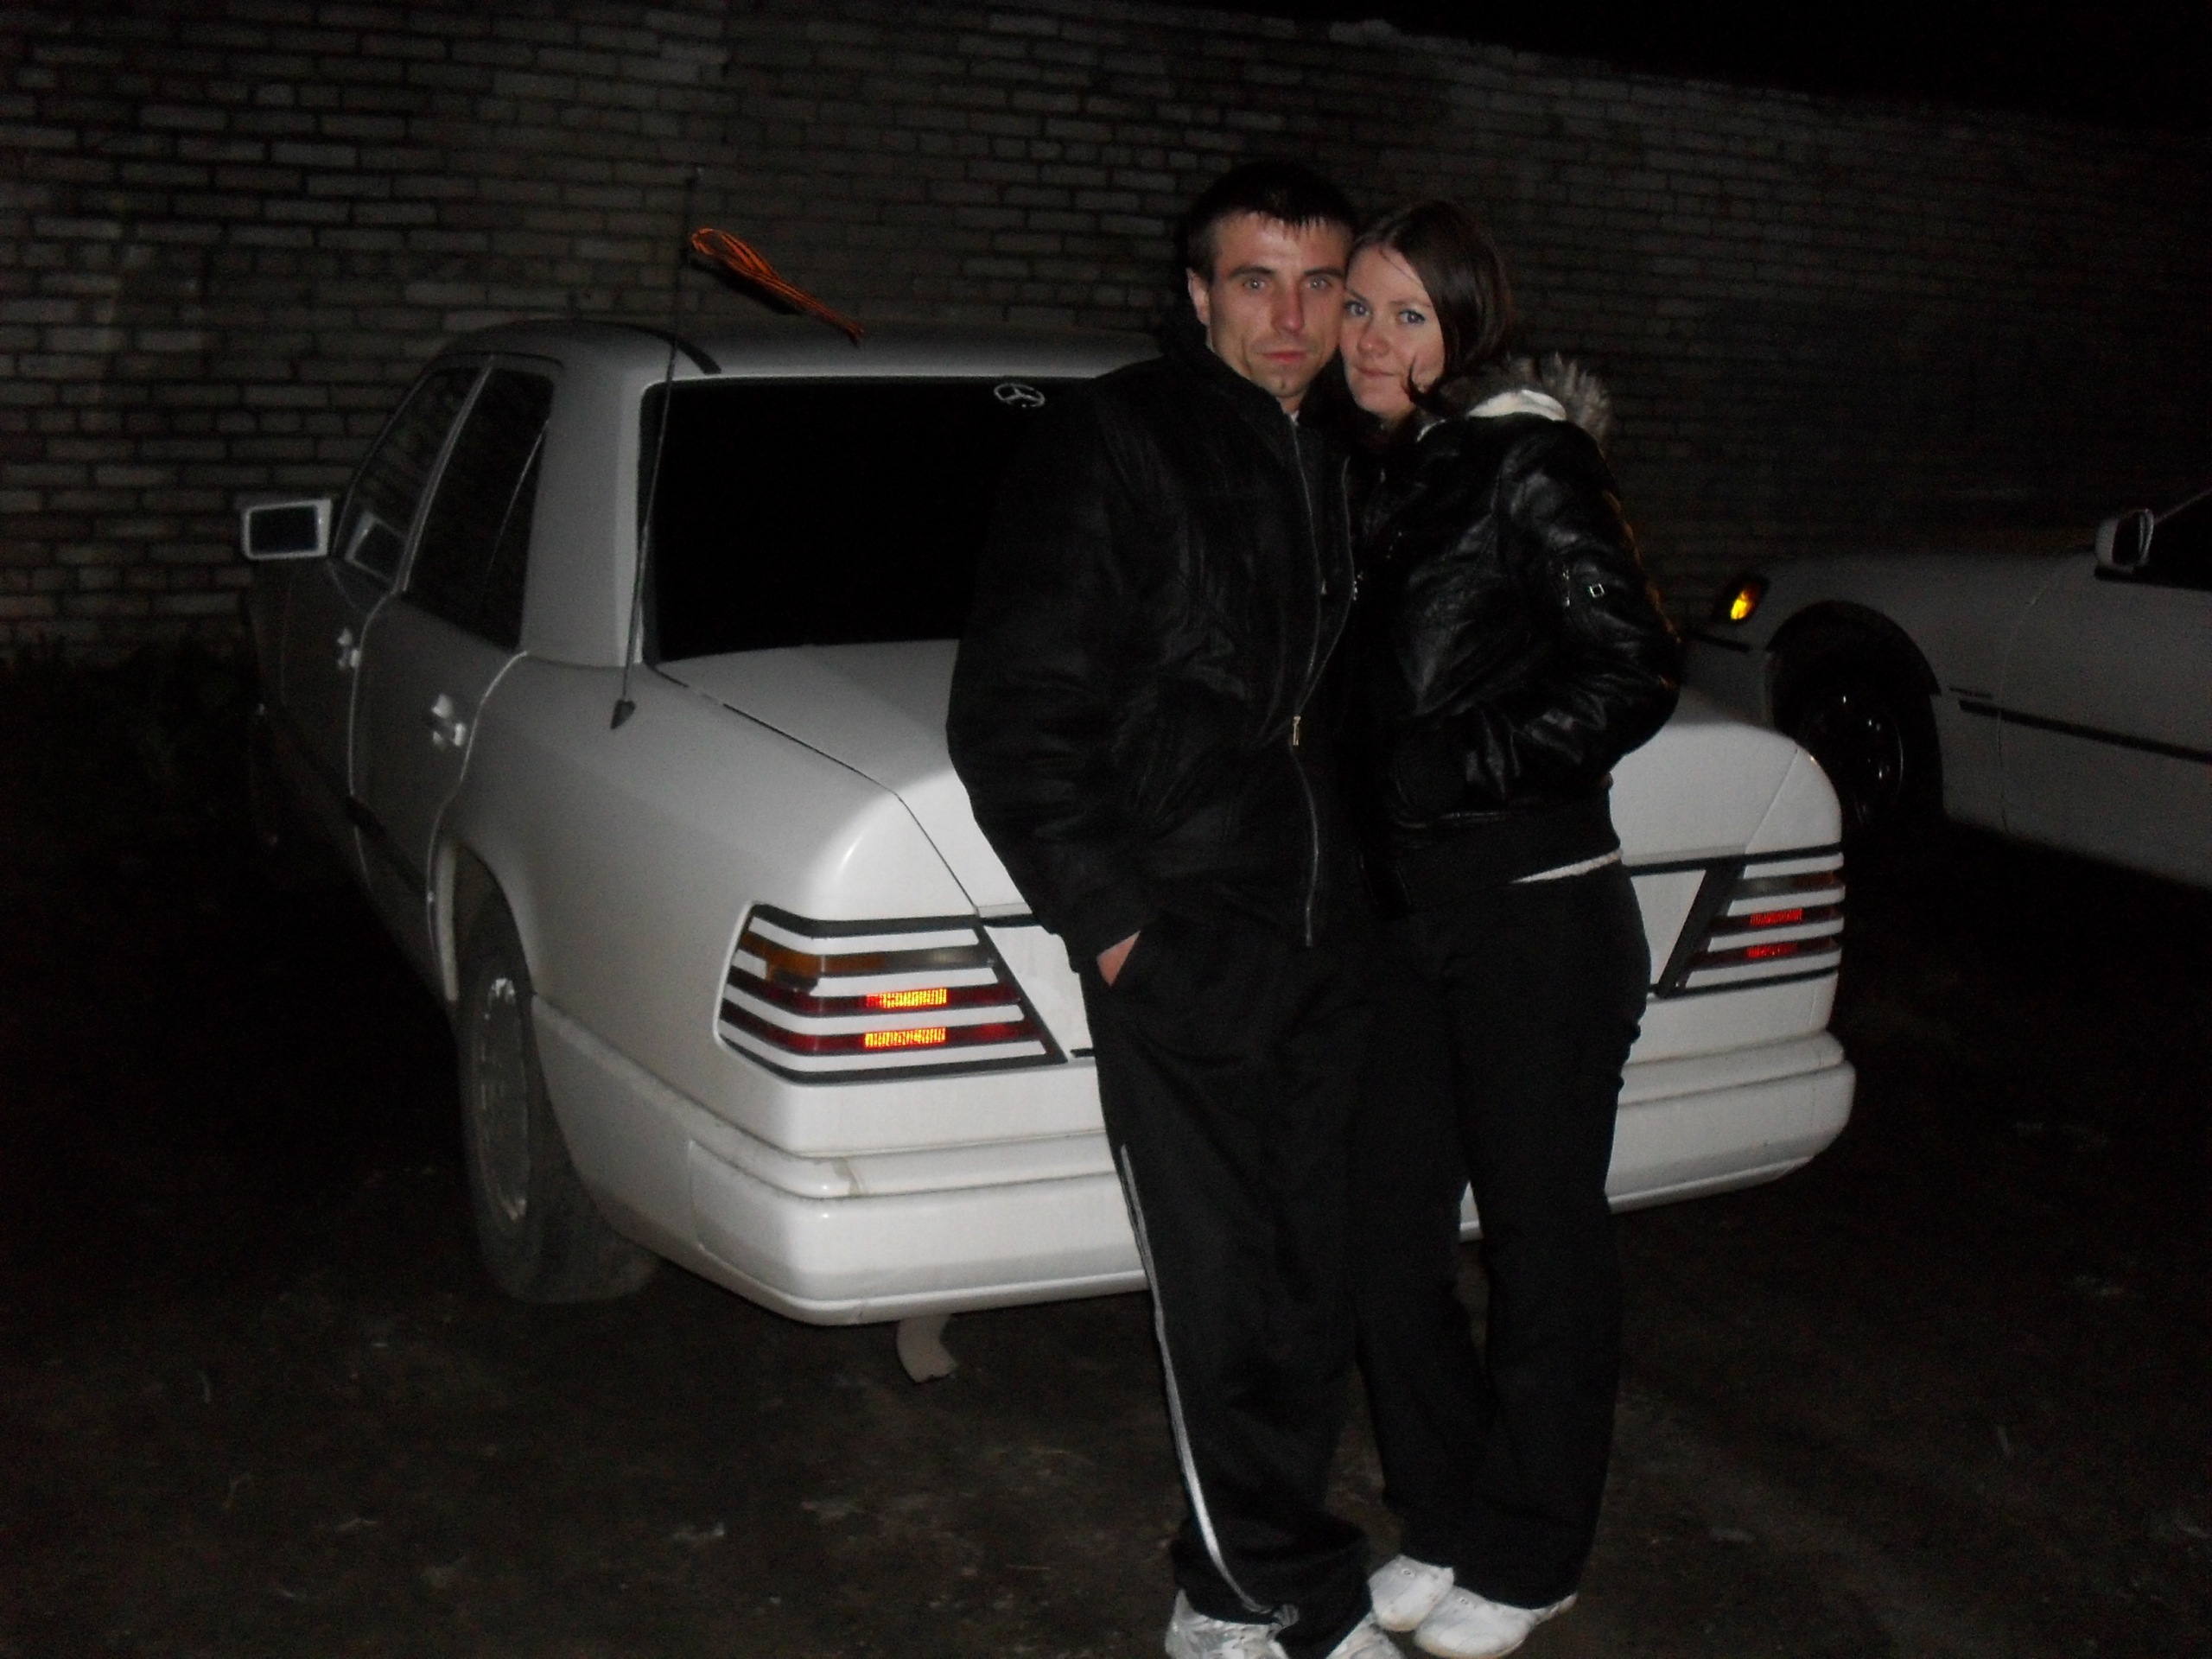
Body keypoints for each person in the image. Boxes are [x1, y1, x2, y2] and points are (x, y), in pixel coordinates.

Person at [947, 162, 1395, 1659]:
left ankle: (1240, 1589)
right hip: (1190, 928)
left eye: (1322, 284)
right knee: (1223, 1287)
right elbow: (1018, 709)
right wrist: (1117, 923)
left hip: (1335, 934)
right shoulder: (1120, 439)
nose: (1294, 316)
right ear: (1199, 294)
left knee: (1310, 1280)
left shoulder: (1358, 454)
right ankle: (1268, 1596)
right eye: (1257, 281)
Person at [1332, 201, 1681, 1659]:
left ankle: (1534, 1554)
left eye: (1409, 315)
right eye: (1359, 307)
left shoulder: (1528, 462)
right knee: (1382, 1237)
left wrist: (1447, 768)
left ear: (1466, 328)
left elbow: (1633, 666)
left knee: (1542, 1244)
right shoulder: (1381, 472)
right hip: (1405, 925)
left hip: (1535, 919)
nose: (1371, 339)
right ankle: (1449, 1515)